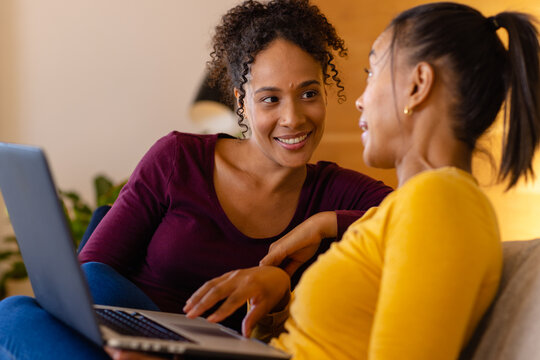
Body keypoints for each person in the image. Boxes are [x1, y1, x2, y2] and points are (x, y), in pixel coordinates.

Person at [0, 0, 392, 359]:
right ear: (241, 101)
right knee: (22, 307)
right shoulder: (178, 159)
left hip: (216, 354)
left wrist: (325, 223)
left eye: (308, 93)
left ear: (325, 92)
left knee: (16, 310)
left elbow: (422, 216)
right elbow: (92, 274)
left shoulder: (340, 191)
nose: (293, 118)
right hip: (131, 341)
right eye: (270, 99)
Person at [179, 2, 540, 360]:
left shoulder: (441, 200)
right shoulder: (410, 204)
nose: (359, 100)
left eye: (372, 72)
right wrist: (276, 302)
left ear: (418, 85)